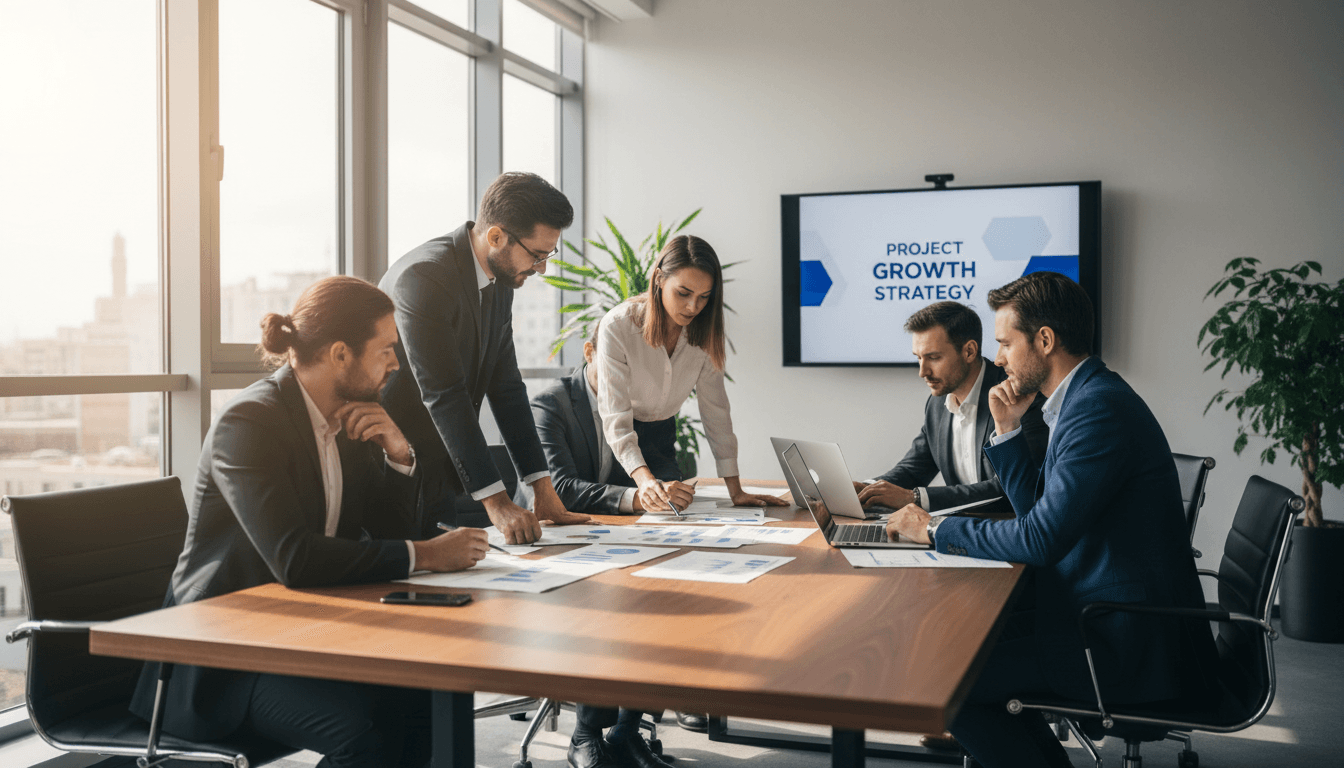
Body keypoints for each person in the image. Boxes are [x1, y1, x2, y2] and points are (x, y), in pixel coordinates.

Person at [130, 276, 489, 768]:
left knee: (424, 697)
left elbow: (387, 535)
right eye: (386, 350)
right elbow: (294, 559)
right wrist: (426, 555)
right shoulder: (249, 423)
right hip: (222, 658)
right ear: (340, 354)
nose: (395, 363)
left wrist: (399, 454)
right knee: (367, 733)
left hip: (300, 631)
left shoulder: (348, 419)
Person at [885, 271, 1217, 768]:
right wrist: (1007, 430)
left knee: (951, 680)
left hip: (1124, 639)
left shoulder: (1097, 410)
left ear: (1044, 340)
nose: (999, 359)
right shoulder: (1082, 399)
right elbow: (1036, 514)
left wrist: (933, 529)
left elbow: (1039, 540)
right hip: (1094, 609)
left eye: (1005, 343)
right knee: (962, 642)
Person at [565, 234, 788, 768]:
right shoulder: (619, 324)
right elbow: (615, 415)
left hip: (661, 440)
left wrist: (735, 488)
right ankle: (585, 733)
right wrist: (642, 480)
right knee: (620, 587)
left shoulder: (702, 335)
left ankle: (629, 731)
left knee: (670, 592)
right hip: (624, 447)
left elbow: (716, 411)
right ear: (658, 280)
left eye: (704, 297)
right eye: (683, 293)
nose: (692, 307)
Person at [381, 172, 590, 544]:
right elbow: (445, 394)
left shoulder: (500, 278)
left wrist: (542, 489)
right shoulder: (425, 276)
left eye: (548, 255)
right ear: (496, 237)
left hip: (440, 470)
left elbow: (507, 387)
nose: (542, 268)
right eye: (537, 255)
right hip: (394, 471)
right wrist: (497, 503)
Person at [856, 301, 1047, 517]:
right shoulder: (937, 404)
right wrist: (865, 489)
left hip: (1008, 529)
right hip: (959, 530)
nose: (922, 372)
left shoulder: (1017, 396)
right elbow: (913, 469)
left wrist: (915, 498)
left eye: (933, 358)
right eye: (919, 358)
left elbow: (1010, 489)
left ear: (969, 351)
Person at [515, 314, 639, 514]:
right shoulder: (549, 405)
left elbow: (661, 462)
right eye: (615, 360)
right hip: (547, 526)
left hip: (609, 523)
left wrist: (664, 489)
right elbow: (560, 490)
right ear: (589, 352)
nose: (624, 372)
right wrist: (638, 497)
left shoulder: (639, 404)